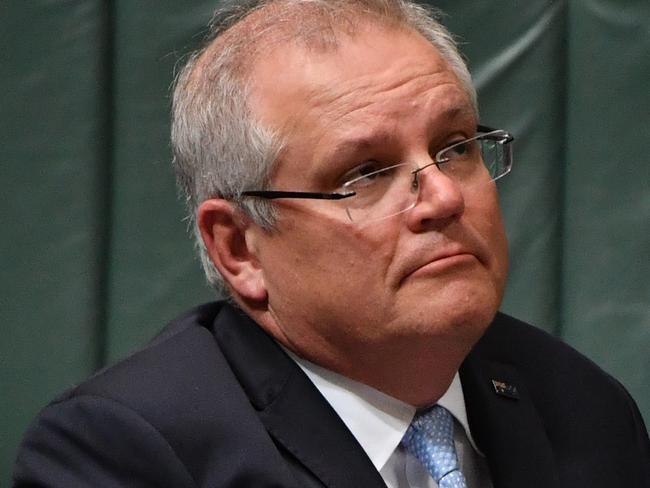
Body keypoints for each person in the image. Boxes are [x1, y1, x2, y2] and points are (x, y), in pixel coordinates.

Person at [13, 0, 650, 487]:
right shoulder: (127, 452)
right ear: (239, 248)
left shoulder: (579, 406)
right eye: (365, 174)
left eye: (455, 148)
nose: (445, 198)